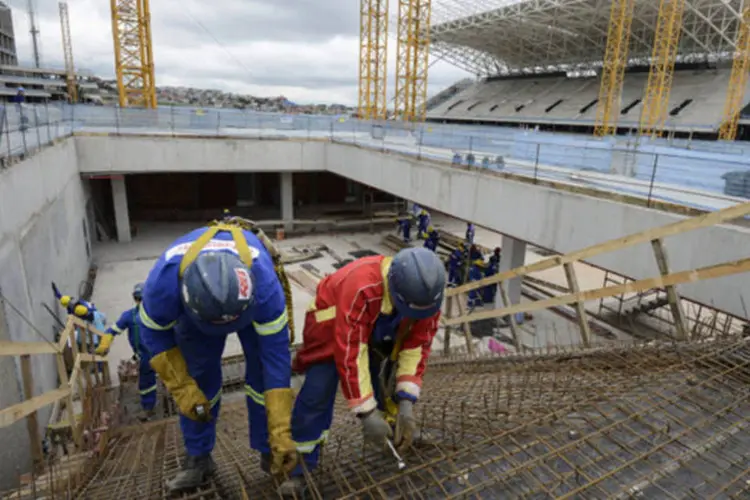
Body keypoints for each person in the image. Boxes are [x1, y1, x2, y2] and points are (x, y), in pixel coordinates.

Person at [138, 219, 297, 493]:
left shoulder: (266, 289)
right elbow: (156, 340)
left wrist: (282, 431)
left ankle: (270, 448)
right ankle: (198, 458)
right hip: (197, 316)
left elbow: (276, 362)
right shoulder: (163, 285)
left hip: (246, 304)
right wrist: (184, 391)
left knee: (263, 376)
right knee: (198, 378)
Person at [278, 247, 445, 496]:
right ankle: (300, 468)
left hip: (377, 320)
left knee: (382, 377)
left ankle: (393, 432)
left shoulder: (425, 298)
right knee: (318, 392)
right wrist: (366, 414)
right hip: (332, 324)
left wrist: (407, 402)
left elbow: (417, 346)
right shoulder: (362, 286)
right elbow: (351, 354)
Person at [96, 283, 157, 421]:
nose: (140, 301)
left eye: (142, 298)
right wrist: (105, 342)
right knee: (147, 382)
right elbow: (113, 330)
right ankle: (149, 408)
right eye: (138, 298)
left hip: (159, 352)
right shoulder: (130, 316)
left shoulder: (156, 312)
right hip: (145, 356)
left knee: (169, 377)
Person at [52, 282, 106, 350]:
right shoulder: (80, 308)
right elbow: (61, 297)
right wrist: (56, 290)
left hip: (93, 322)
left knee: (92, 336)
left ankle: (86, 346)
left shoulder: (83, 309)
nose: (70, 303)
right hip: (92, 320)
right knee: (83, 336)